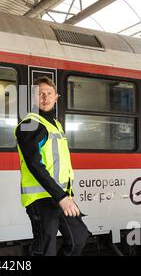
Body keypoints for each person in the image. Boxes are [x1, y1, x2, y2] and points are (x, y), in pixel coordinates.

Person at [14, 76, 90, 256]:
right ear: (33, 98)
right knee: (45, 248)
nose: (45, 98)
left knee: (78, 237)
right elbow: (34, 165)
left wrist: (64, 196)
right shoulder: (30, 125)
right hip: (41, 197)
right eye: (40, 94)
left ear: (57, 97)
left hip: (60, 195)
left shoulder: (55, 124)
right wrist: (61, 197)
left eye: (49, 93)